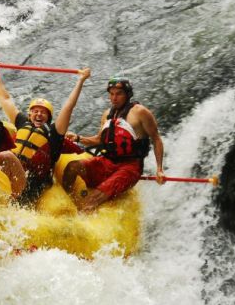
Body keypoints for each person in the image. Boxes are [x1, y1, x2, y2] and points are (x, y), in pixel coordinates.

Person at [0, 63, 91, 202]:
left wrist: (80, 81)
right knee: (5, 156)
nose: (38, 114)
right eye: (35, 111)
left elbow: (68, 107)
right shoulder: (22, 123)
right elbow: (5, 99)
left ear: (48, 118)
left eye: (43, 112)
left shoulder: (54, 133)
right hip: (13, 173)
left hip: (31, 184)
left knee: (6, 155)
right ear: (30, 114)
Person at [63, 76, 165, 211]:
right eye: (111, 94)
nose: (114, 98)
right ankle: (69, 201)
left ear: (127, 95)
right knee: (72, 167)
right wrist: (78, 138)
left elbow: (156, 139)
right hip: (107, 162)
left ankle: (82, 216)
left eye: (119, 94)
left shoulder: (140, 112)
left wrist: (159, 169)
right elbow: (99, 140)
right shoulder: (107, 115)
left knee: (93, 199)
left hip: (130, 167)